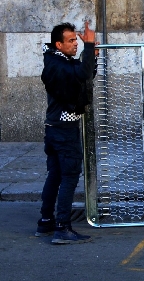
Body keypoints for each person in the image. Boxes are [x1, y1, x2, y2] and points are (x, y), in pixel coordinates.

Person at [37, 21, 97, 244]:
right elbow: (81, 73)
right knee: (69, 176)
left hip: (56, 129)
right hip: (63, 131)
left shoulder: (58, 61)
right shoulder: (57, 64)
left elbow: (82, 75)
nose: (75, 44)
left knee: (55, 174)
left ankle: (46, 221)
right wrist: (89, 46)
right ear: (58, 44)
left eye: (76, 40)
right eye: (71, 41)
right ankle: (62, 227)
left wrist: (91, 55)